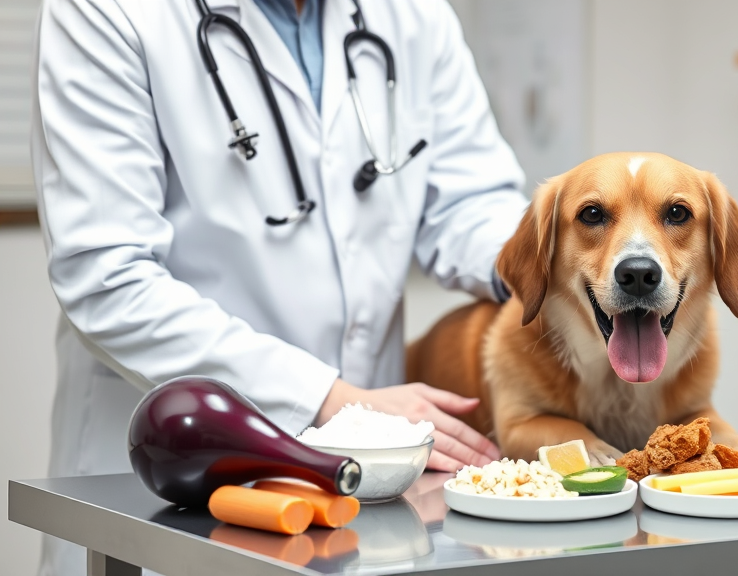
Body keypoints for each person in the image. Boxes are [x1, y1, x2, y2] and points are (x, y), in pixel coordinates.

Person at [31, 0, 527, 573]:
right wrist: (332, 403)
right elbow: (108, 276)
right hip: (170, 476)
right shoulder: (104, 10)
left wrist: (540, 267)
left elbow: (470, 201)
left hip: (364, 485)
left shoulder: (412, 14)